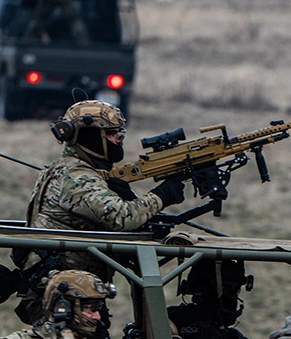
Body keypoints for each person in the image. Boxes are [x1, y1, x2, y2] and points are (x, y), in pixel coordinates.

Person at [17, 99, 186, 324]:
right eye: (111, 133)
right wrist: (162, 195)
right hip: (63, 298)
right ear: (88, 137)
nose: (119, 138)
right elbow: (122, 217)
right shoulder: (76, 176)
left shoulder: (79, 170)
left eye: (120, 132)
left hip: (75, 291)